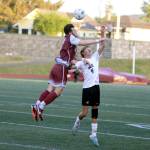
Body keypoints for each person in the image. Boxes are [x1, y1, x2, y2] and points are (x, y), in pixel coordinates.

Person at [31, 23, 105, 121]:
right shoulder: (71, 37)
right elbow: (83, 42)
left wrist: (79, 63)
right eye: (74, 29)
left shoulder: (69, 42)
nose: (76, 31)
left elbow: (73, 59)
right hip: (61, 67)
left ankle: (36, 104)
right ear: (70, 31)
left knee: (49, 89)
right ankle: (40, 107)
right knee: (59, 90)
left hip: (56, 66)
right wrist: (97, 40)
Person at [71, 41, 105, 147]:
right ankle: (77, 120)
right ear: (83, 53)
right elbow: (75, 65)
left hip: (96, 87)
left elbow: (102, 46)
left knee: (95, 110)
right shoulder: (81, 62)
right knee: (84, 113)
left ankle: (93, 134)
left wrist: (103, 32)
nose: (89, 50)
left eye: (90, 49)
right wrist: (77, 64)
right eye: (87, 49)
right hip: (86, 89)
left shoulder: (95, 57)